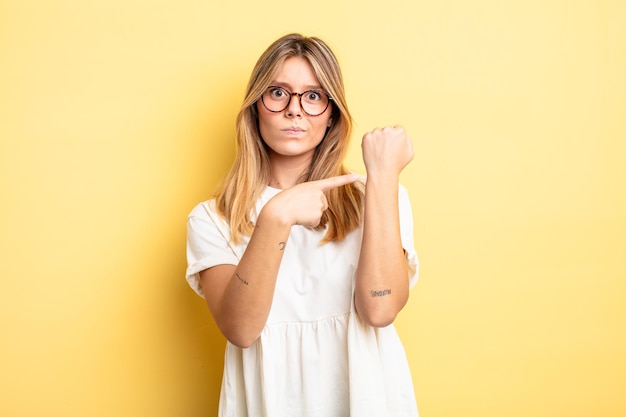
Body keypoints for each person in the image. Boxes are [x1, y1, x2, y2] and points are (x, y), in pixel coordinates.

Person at [186, 33, 419, 417]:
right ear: (255, 107)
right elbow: (241, 330)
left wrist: (383, 180)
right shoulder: (212, 218)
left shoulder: (374, 197)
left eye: (313, 96)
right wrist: (276, 217)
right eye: (278, 92)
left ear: (331, 115)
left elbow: (379, 310)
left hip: (369, 400)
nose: (294, 110)